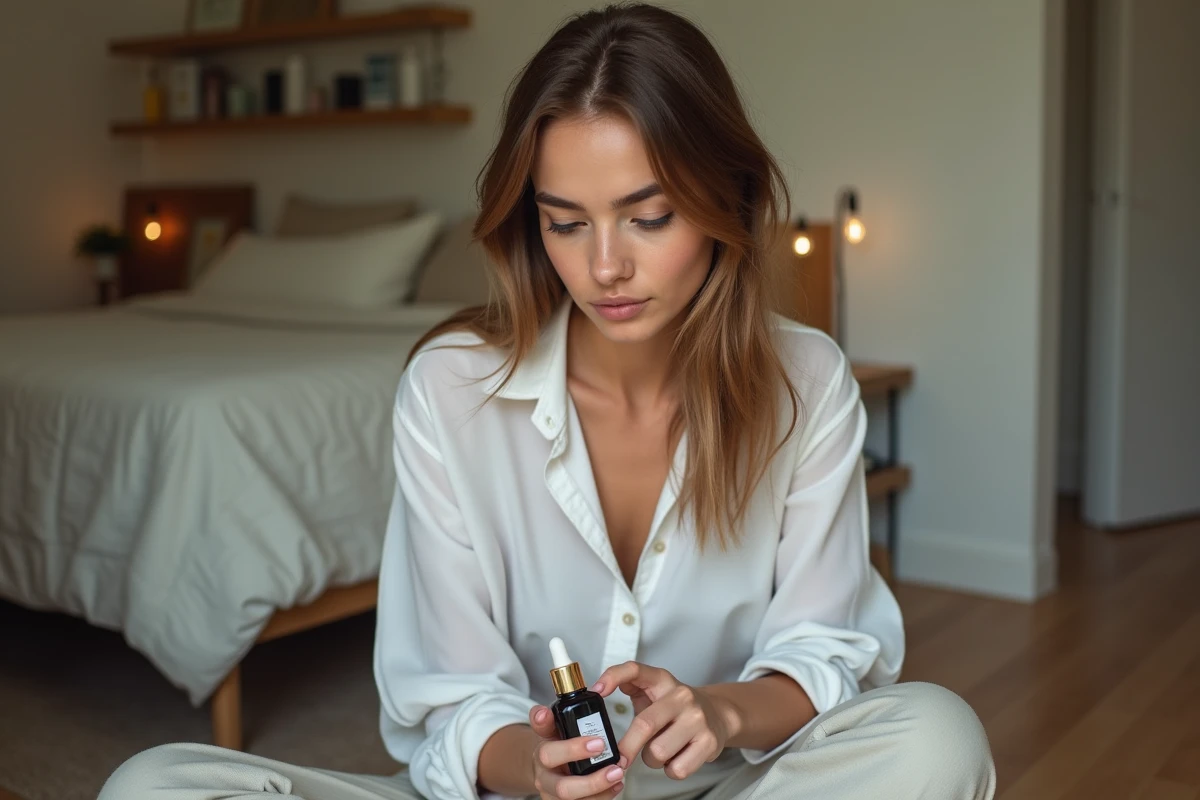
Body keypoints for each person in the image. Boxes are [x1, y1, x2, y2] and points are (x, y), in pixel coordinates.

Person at [98, 3, 996, 799]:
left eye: (648, 217)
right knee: (156, 786)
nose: (603, 266)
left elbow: (824, 652)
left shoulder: (807, 385)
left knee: (935, 736)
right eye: (565, 221)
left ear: (728, 199)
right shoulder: (450, 390)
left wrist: (717, 715)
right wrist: (535, 768)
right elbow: (446, 697)